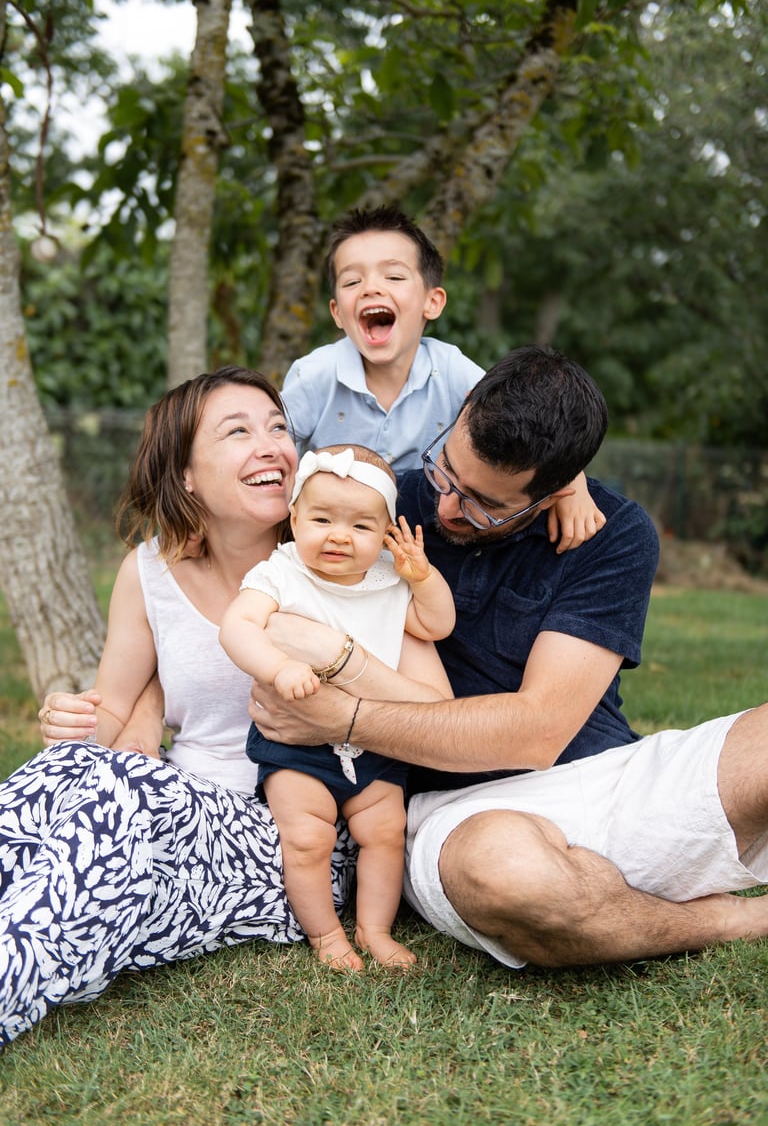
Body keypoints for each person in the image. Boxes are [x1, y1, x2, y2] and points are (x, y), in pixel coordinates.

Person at [247, 344, 768, 972]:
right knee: (511, 876)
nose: (443, 508)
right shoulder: (385, 504)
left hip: (605, 779)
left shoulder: (613, 533)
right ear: (459, 414)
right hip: (460, 815)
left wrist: (342, 717)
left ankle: (612, 891)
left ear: (552, 491)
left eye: (484, 505)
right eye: (446, 471)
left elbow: (537, 733)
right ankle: (728, 918)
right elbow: (271, 505)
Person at [2, 366, 450, 1048]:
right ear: (186, 474)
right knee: (57, 787)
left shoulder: (348, 570)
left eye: (277, 427)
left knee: (114, 809)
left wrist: (337, 661)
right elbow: (112, 716)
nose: (270, 444)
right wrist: (69, 717)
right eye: (238, 432)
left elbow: (439, 716)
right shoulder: (149, 570)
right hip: (176, 801)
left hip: (296, 830)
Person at [219, 445, 455, 970]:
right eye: (322, 519)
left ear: (386, 535)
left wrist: (421, 578)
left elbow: (436, 625)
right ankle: (326, 936)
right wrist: (278, 668)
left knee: (385, 832)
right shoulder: (279, 574)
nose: (339, 536)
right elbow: (236, 628)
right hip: (296, 745)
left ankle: (375, 930)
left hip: (375, 742)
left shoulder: (389, 583)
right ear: (294, 517)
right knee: (307, 838)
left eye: (361, 527)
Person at [281, 205, 605, 552]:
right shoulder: (314, 373)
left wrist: (574, 482)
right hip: (334, 538)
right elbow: (271, 445)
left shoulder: (449, 368)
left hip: (416, 541)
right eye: (351, 281)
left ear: (432, 303)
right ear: (337, 313)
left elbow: (522, 414)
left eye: (393, 277)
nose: (370, 288)